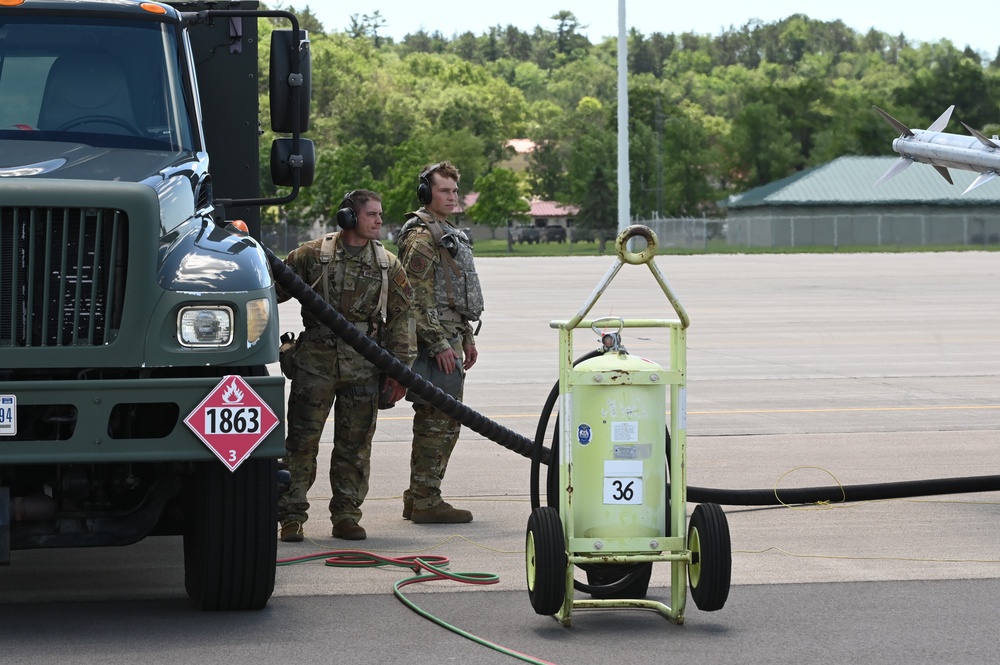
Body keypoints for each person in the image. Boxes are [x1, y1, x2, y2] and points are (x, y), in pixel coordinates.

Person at [278, 189, 415, 542]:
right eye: (371, 214)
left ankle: (346, 515)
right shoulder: (311, 255)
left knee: (355, 446)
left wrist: (400, 371)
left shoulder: (388, 264)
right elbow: (271, 287)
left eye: (380, 214)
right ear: (349, 217)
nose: (379, 221)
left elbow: (402, 319)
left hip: (364, 367)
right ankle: (291, 516)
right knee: (301, 442)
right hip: (315, 365)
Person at [396, 162, 484, 523]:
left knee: (446, 420)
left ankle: (417, 496)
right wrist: (438, 344)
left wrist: (465, 337)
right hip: (435, 342)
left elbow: (452, 291)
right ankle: (427, 499)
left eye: (454, 190)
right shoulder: (421, 238)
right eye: (444, 190)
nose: (452, 197)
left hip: (451, 335)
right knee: (437, 420)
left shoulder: (445, 232)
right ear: (426, 193)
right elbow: (414, 297)